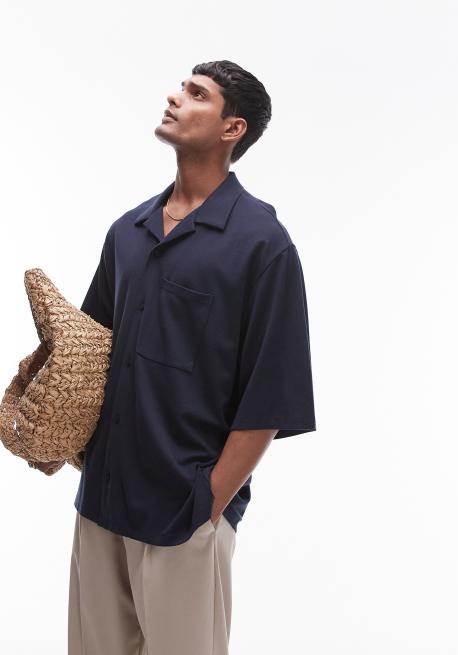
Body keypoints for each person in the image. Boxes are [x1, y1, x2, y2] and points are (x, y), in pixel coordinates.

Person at [67, 59, 316, 655]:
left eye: (197, 94)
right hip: (100, 501)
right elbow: (88, 355)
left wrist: (209, 502)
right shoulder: (127, 231)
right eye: (181, 87)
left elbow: (271, 394)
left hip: (183, 510)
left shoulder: (262, 244)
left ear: (232, 128)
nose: (176, 98)